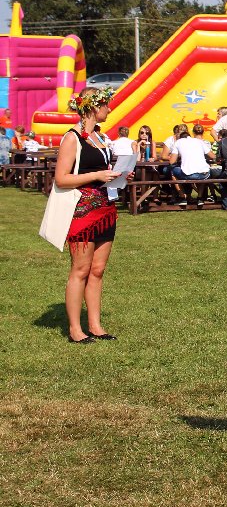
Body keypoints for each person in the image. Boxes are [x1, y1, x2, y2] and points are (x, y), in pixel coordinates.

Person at [53, 87, 130, 343]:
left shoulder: (101, 137)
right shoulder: (72, 138)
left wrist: (117, 174)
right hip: (82, 210)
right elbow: (62, 178)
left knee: (98, 270)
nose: (109, 109)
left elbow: (102, 169)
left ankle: (95, 325)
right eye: (106, 104)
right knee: (81, 269)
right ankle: (75, 329)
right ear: (92, 107)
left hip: (106, 209)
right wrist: (96, 176)